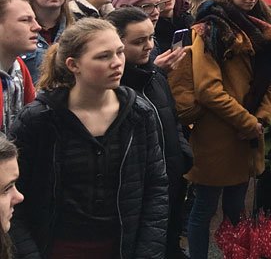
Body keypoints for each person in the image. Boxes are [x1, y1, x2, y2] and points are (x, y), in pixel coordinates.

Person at [10, 18, 168, 259]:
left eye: (119, 52)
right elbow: (14, 194)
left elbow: (155, 188)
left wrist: (148, 252)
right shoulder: (39, 119)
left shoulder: (139, 113)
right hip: (57, 247)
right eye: (103, 56)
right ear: (73, 64)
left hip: (122, 246)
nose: (117, 63)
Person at [179, 0, 271, 259]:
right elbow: (208, 89)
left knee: (236, 208)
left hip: (246, 132)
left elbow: (267, 80)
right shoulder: (208, 30)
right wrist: (248, 122)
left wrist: (261, 116)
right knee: (205, 207)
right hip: (217, 133)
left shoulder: (260, 27)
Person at [109, 6, 190, 259]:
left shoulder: (155, 77)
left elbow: (173, 119)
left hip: (171, 179)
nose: (149, 46)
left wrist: (183, 155)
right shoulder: (112, 88)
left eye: (151, 37)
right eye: (138, 41)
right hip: (138, 191)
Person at [0, 0, 39, 135]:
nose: (37, 27)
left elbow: (33, 123)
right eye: (25, 20)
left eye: (35, 19)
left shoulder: (18, 66)